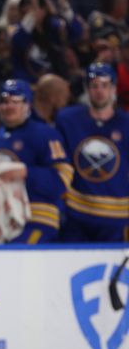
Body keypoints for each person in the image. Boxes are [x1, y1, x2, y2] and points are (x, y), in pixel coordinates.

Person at [0, 79, 73, 243]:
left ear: (28, 105)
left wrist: (26, 172)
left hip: (38, 218)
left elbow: (63, 179)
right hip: (0, 218)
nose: (8, 106)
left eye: (15, 101)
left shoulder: (46, 134)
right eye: (4, 102)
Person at [56, 63, 129, 242]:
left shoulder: (126, 124)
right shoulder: (68, 120)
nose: (99, 91)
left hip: (117, 216)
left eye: (104, 85)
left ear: (113, 88)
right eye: (94, 86)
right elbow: (60, 164)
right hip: (78, 214)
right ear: (87, 89)